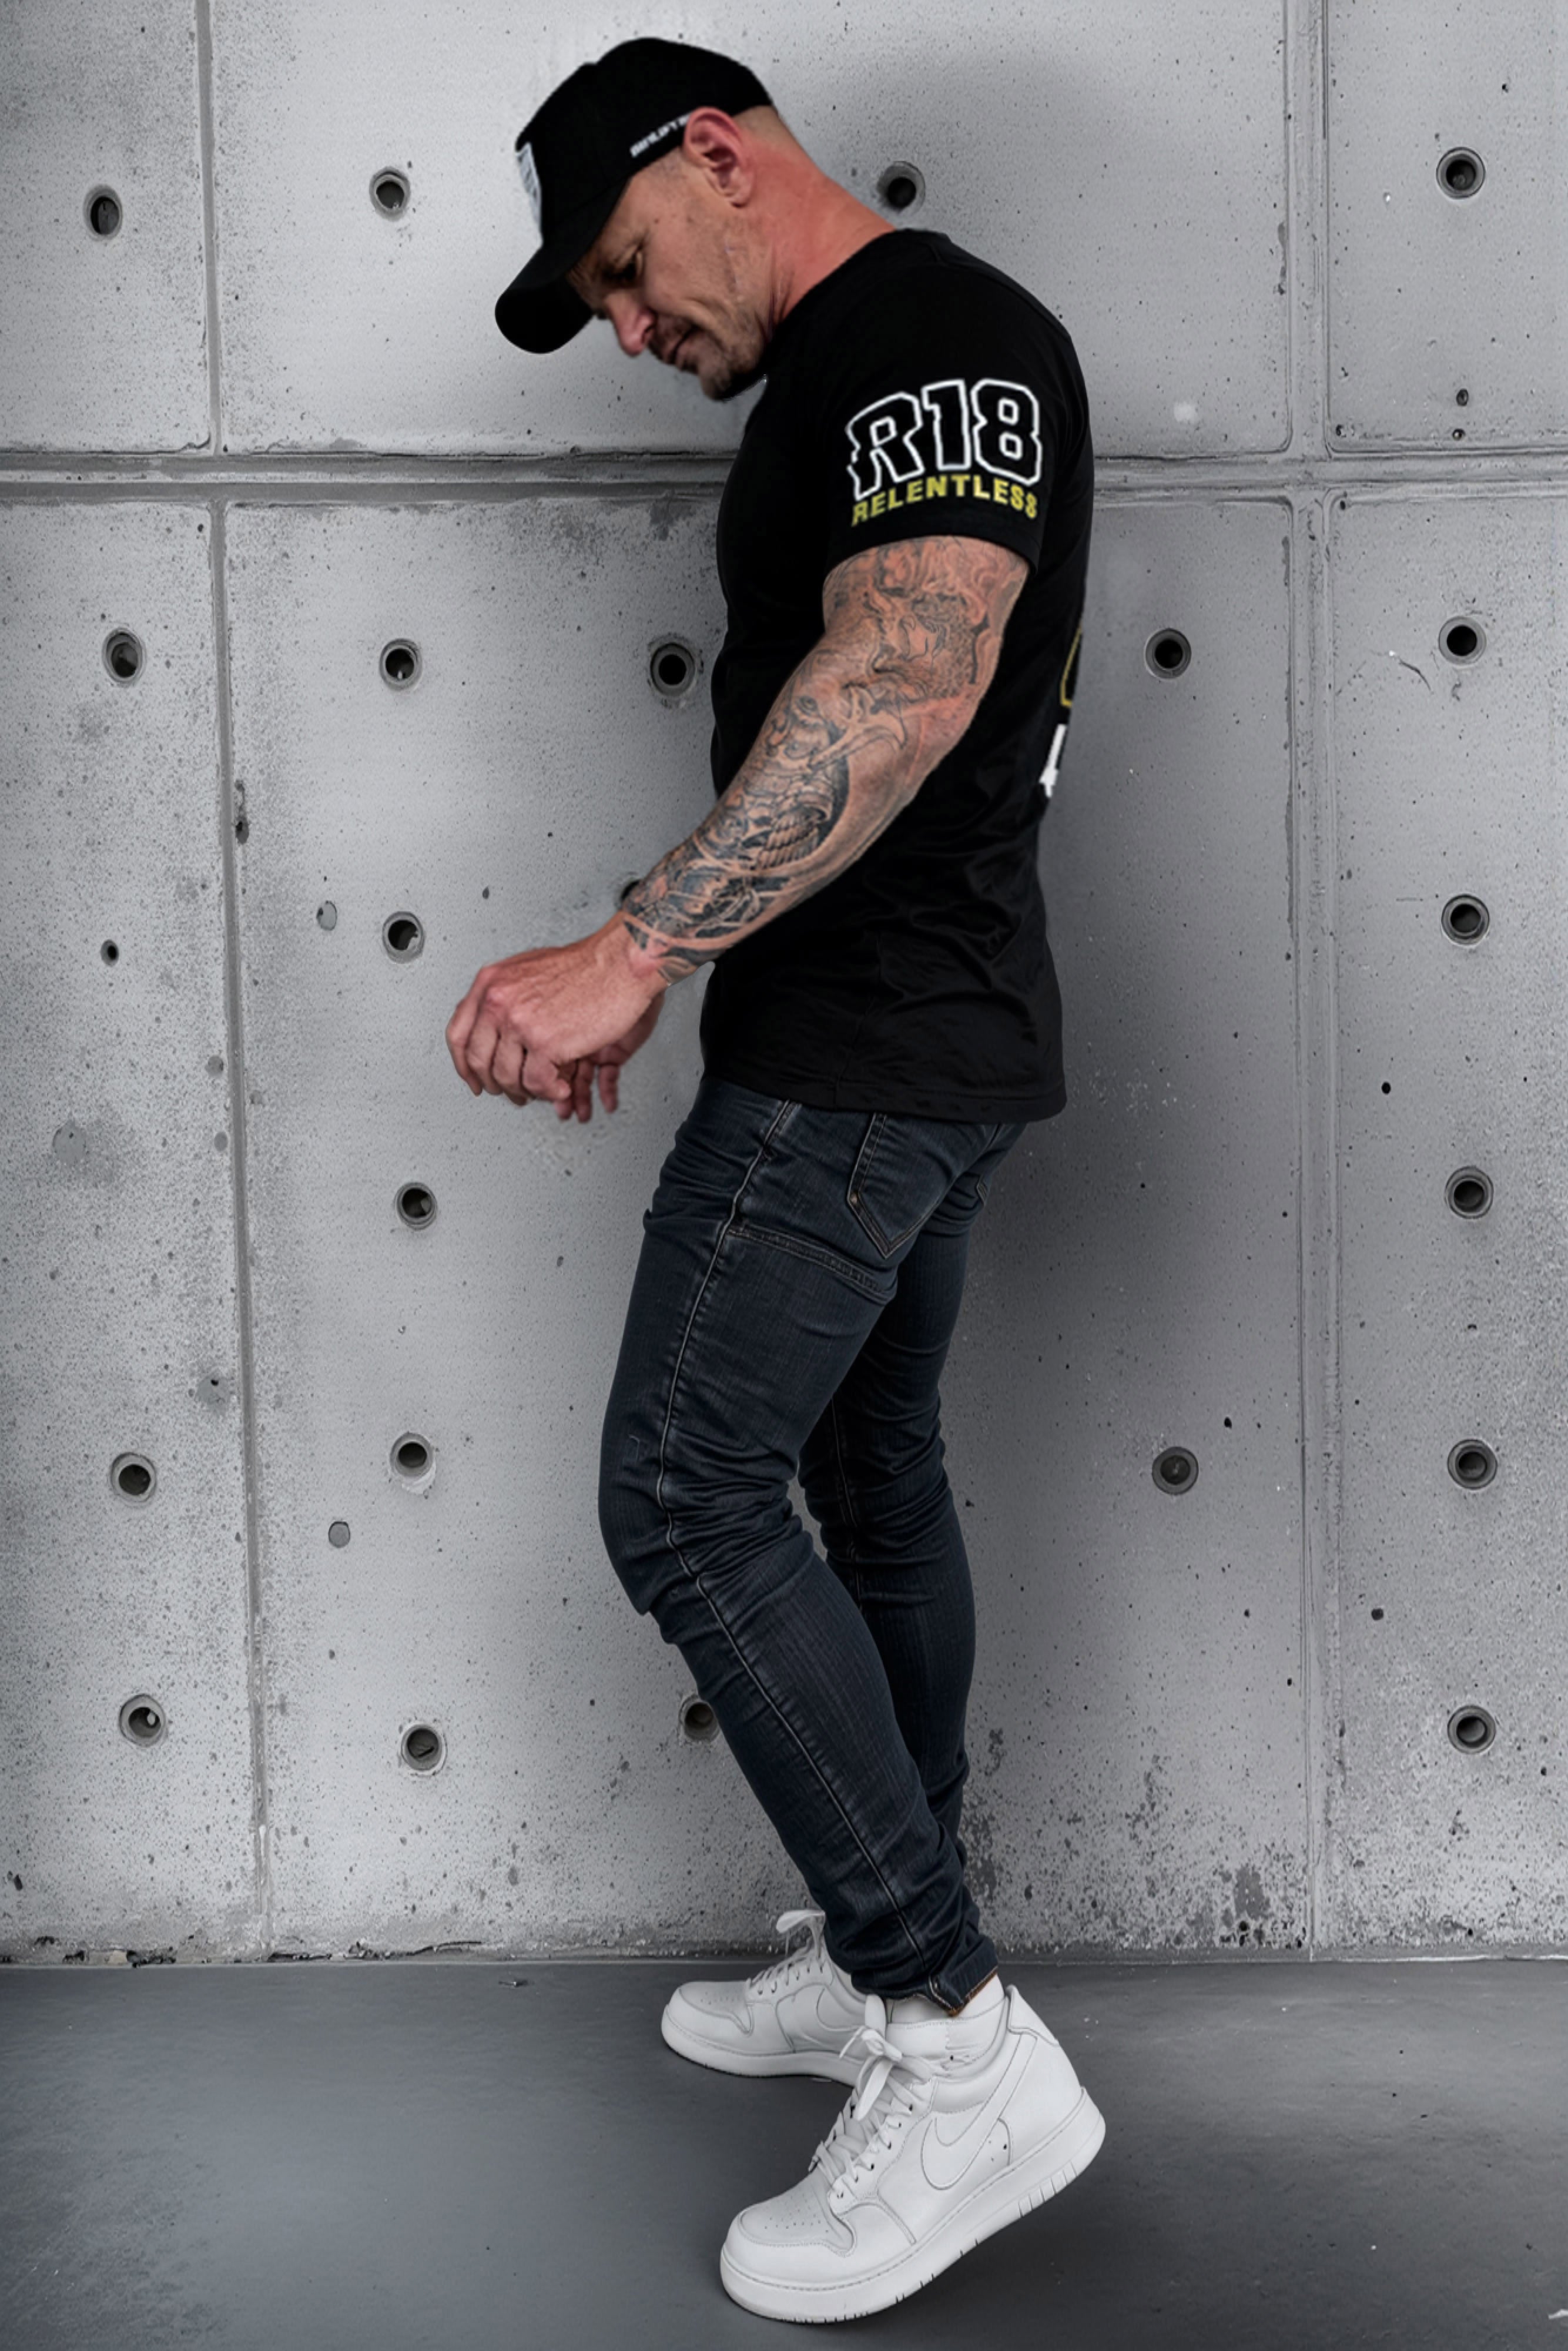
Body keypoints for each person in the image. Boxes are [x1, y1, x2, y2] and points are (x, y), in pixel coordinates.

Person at [445, 35, 1103, 2324]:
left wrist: (636, 947)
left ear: (715, 154)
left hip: (867, 1058)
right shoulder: (854, 362)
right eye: (600, 308)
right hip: (909, 1038)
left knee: (679, 1492)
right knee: (865, 1477)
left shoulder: (933, 339)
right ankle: (879, 1948)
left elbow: (911, 665)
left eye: (628, 269)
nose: (632, 327)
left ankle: (953, 2037)